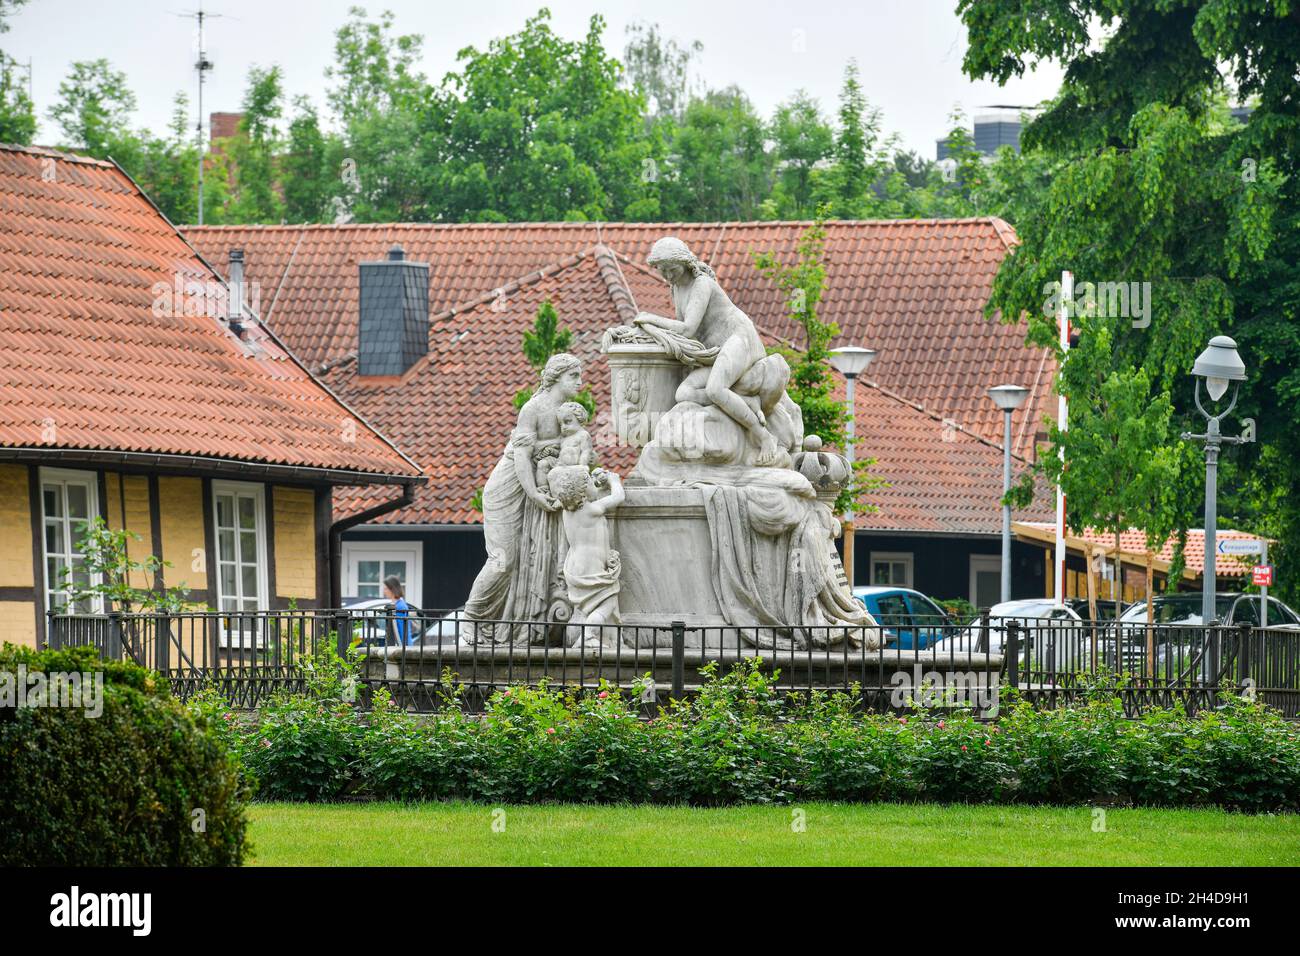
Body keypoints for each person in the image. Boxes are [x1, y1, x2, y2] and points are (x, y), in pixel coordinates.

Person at [463, 353, 585, 641]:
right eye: (574, 376)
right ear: (556, 377)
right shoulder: (534, 409)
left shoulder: (568, 413)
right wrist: (535, 495)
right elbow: (521, 458)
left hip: (537, 491)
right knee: (503, 560)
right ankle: (471, 616)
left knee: (527, 562)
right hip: (510, 489)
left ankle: (519, 623)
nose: (580, 382)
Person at [634, 237, 782, 465]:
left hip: (737, 339)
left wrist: (650, 319)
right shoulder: (676, 287)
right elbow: (687, 333)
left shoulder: (701, 283)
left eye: (672, 269)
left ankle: (764, 437)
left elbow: (687, 328)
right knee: (683, 393)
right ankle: (744, 402)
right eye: (662, 271)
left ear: (684, 263)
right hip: (716, 352)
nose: (668, 276)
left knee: (715, 389)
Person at [549, 465, 625, 646]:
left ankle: (587, 635)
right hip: (591, 565)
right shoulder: (592, 510)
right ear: (582, 493)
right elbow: (618, 497)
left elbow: (587, 495)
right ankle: (588, 636)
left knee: (588, 605)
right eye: (590, 482)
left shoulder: (568, 511)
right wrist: (614, 481)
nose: (593, 484)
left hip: (575, 565)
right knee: (608, 602)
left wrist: (596, 481)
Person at [384, 574, 413, 646]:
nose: (384, 591)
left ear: (392, 589)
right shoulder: (396, 604)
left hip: (403, 647)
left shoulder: (400, 606)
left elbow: (402, 630)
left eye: (386, 588)